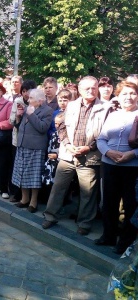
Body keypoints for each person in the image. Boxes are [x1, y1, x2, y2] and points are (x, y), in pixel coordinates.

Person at [42, 76, 110, 235]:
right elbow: (61, 126)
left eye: (94, 87)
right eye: (87, 88)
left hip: (90, 155)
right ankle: (50, 216)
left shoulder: (105, 108)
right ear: (79, 90)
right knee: (58, 187)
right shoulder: (71, 105)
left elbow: (105, 132)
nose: (91, 91)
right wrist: (67, 144)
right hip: (68, 154)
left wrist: (89, 147)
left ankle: (85, 224)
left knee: (88, 192)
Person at [95, 81, 138, 254]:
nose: (128, 97)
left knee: (130, 205)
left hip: (132, 167)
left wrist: (133, 154)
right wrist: (108, 152)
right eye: (124, 94)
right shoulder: (113, 115)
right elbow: (101, 139)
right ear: (118, 97)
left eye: (133, 93)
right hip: (110, 164)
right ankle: (109, 236)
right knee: (109, 202)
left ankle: (125, 242)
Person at [12, 89, 53, 212]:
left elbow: (42, 128)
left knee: (33, 175)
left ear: (40, 100)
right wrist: (18, 117)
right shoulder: (27, 108)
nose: (28, 100)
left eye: (31, 98)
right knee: (22, 173)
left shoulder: (47, 110)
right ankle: (24, 199)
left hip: (35, 147)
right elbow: (18, 126)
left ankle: (33, 202)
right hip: (22, 144)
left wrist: (31, 114)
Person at [9, 80, 37, 200]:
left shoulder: (37, 102)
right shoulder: (18, 102)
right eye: (24, 91)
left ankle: (30, 197)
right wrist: (18, 116)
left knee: (29, 169)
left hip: (32, 141)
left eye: (28, 90)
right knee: (17, 168)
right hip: (18, 139)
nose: (26, 94)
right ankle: (17, 193)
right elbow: (12, 121)